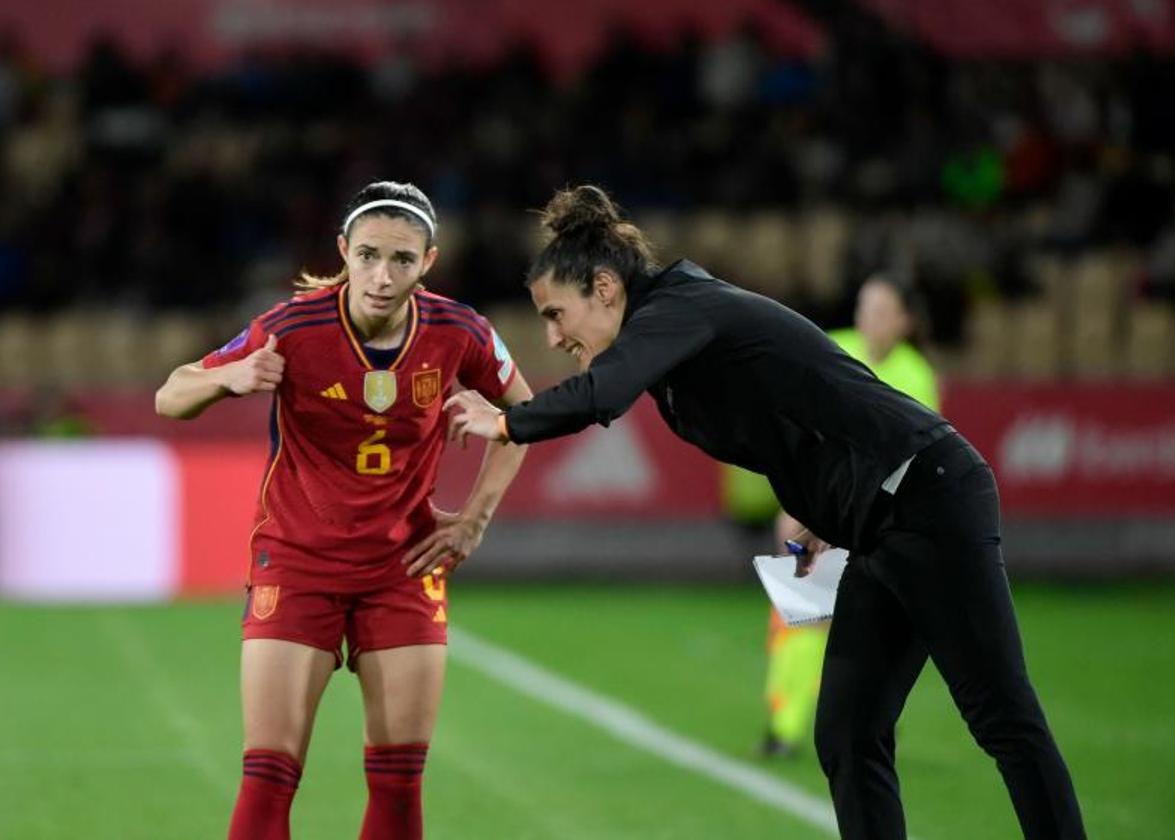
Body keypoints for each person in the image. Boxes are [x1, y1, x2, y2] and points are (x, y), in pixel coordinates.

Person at [445, 185, 1087, 840]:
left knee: (1001, 715)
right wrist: (814, 517)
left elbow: (602, 395)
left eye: (557, 315)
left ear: (605, 288)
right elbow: (791, 419)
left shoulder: (677, 307)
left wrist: (505, 421)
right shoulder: (674, 331)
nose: (551, 336)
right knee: (847, 732)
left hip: (928, 495)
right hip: (876, 519)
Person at [155, 181, 532, 840]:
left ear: (429, 262)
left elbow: (524, 418)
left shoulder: (459, 330)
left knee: (398, 781)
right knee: (269, 776)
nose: (382, 277)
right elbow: (170, 395)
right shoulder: (293, 326)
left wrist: (474, 517)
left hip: (404, 567)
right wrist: (226, 379)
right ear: (343, 252)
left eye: (402, 260)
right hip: (297, 563)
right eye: (367, 256)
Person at [763, 273, 940, 759]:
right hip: (819, 505)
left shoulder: (916, 375)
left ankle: (870, 721)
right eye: (864, 307)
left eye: (882, 311)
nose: (869, 319)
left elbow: (907, 457)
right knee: (802, 614)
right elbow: (799, 432)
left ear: (904, 321)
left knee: (873, 627)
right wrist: (792, 504)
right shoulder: (830, 348)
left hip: (879, 518)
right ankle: (784, 727)